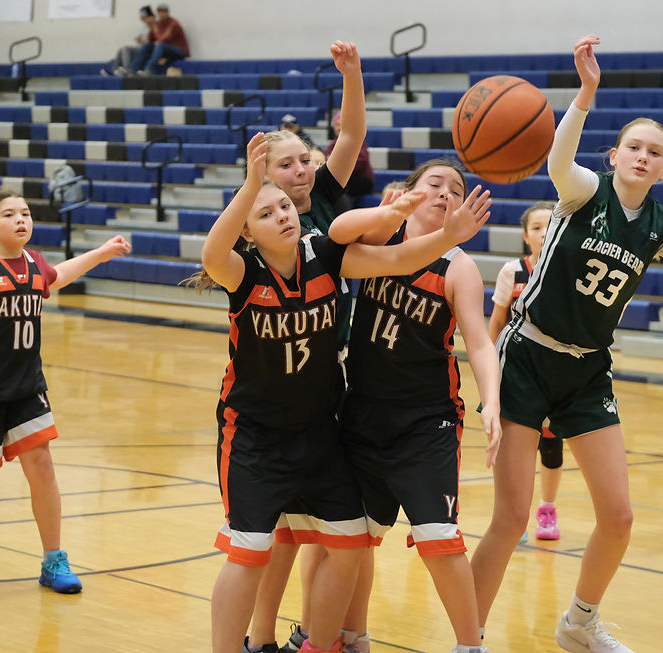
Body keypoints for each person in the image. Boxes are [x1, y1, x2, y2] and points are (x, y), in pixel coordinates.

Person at [468, 34, 663, 653]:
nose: (643, 157)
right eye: (634, 147)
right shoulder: (581, 191)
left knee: (618, 517)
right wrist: (584, 94)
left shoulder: (661, 224)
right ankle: (468, 635)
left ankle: (579, 624)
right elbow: (558, 160)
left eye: (655, 152)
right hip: (528, 356)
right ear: (614, 155)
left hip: (587, 371)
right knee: (510, 518)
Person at [202, 136, 491, 653]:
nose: (284, 216)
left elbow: (401, 258)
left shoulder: (327, 259)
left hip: (323, 431)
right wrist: (251, 187)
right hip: (257, 434)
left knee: (349, 542)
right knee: (251, 552)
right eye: (266, 214)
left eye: (286, 206)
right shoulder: (243, 274)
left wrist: (447, 237)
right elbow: (212, 252)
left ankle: (329, 642)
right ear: (248, 231)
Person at [325, 159, 500, 653]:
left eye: (456, 188)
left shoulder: (460, 267)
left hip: (426, 421)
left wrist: (492, 402)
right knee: (356, 539)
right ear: (410, 191)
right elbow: (339, 236)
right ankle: (351, 636)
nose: (446, 193)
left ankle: (471, 646)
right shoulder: (383, 235)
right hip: (361, 412)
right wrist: (388, 211)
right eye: (434, 184)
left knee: (439, 541)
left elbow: (480, 344)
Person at [239, 39, 370, 653]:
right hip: (277, 385)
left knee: (318, 531)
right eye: (286, 164)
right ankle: (261, 635)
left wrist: (353, 76)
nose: (300, 170)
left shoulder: (323, 202)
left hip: (329, 378)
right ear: (262, 178)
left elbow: (351, 138)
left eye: (304, 160)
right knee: (284, 536)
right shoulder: (254, 236)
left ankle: (315, 633)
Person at [0, 188, 130, 594]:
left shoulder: (33, 263)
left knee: (42, 466)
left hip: (26, 388)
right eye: (10, 215)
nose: (21, 219)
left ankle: (53, 560)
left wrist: (102, 252)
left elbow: (58, 276)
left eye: (25, 213)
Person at [487, 200, 563, 542]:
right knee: (513, 448)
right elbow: (498, 320)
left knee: (551, 447)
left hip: (556, 373)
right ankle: (511, 514)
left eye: (550, 224)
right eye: (536, 227)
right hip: (516, 371)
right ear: (525, 236)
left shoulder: (569, 269)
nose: (544, 231)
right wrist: (489, 368)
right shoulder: (512, 272)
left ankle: (547, 509)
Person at [325, 110, 375, 213]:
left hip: (360, 179)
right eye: (337, 124)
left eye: (342, 124)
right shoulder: (332, 144)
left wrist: (340, 165)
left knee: (340, 187)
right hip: (343, 179)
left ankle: (345, 214)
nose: (339, 127)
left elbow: (361, 162)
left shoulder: (357, 141)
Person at [127, 3, 189, 76]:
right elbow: (151, 40)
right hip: (165, 50)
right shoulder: (158, 23)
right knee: (147, 46)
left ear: (168, 12)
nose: (162, 14)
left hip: (179, 51)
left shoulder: (173, 24)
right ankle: (132, 70)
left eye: (164, 12)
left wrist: (154, 26)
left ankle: (149, 70)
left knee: (160, 45)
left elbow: (163, 39)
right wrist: (151, 26)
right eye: (160, 12)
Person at [103, 5, 155, 77]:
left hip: (147, 50)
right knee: (121, 50)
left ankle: (128, 69)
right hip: (141, 48)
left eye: (143, 15)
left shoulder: (154, 25)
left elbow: (153, 42)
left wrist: (142, 41)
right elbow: (142, 38)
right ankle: (113, 71)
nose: (142, 17)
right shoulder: (145, 26)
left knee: (125, 49)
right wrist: (139, 39)